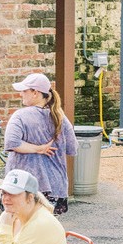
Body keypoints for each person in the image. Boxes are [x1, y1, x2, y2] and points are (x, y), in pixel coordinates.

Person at [5, 73, 79, 215]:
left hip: (23, 186)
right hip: (54, 186)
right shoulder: (60, 117)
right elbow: (72, 148)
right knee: (46, 231)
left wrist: (37, 149)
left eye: (24, 91)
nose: (21, 94)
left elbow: (11, 142)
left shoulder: (20, 116)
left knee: (21, 231)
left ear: (35, 93)